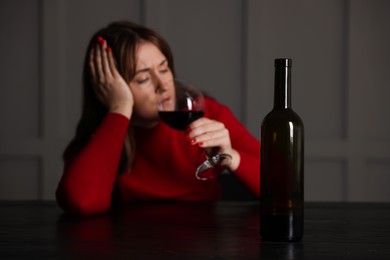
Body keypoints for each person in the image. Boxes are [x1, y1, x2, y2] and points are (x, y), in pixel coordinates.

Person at [56, 21, 260, 215]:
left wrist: (230, 156)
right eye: (143, 78)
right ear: (110, 88)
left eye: (164, 68)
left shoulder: (210, 114)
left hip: (203, 242)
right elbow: (82, 202)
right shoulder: (105, 130)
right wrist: (119, 108)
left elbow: (283, 186)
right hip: (129, 246)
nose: (163, 84)